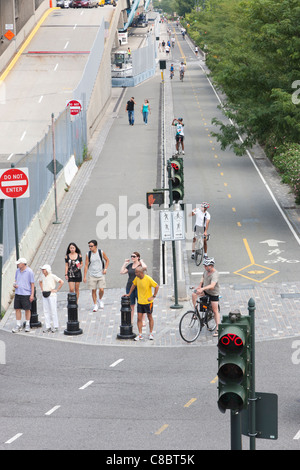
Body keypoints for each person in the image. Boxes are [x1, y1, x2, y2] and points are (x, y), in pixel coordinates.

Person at [126, 267, 159, 341]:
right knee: (139, 318)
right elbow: (133, 285)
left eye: (136, 272)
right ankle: (140, 334)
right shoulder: (137, 278)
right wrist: (129, 294)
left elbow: (156, 286)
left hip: (148, 303)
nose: (135, 274)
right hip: (140, 302)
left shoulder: (148, 278)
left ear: (140, 273)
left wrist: (153, 296)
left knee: (149, 317)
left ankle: (151, 333)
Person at [192, 257, 220, 336]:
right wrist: (199, 286)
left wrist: (202, 289)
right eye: (204, 265)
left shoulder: (215, 274)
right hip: (205, 291)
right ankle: (195, 312)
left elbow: (212, 286)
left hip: (213, 293)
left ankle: (218, 328)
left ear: (211, 266)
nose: (204, 267)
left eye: (206, 266)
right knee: (194, 294)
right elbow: (203, 277)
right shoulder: (206, 271)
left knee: (215, 311)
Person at [120, 252, 147, 324]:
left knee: (141, 304)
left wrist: (141, 261)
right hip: (130, 286)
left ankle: (143, 320)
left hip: (139, 287)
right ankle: (131, 320)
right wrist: (125, 263)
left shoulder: (140, 265)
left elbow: (145, 267)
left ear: (138, 257)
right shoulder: (130, 265)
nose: (132, 258)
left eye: (134, 256)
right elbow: (122, 272)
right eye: (131, 256)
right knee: (131, 304)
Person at [83, 239, 109, 312]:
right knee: (93, 290)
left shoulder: (101, 252)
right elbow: (86, 265)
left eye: (91, 246)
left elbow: (107, 260)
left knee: (101, 289)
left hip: (100, 274)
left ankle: (100, 299)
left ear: (95, 246)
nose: (90, 247)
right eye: (89, 246)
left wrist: (105, 269)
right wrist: (84, 276)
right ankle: (95, 305)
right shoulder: (88, 254)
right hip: (92, 274)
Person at [12, 258, 35, 333]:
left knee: (27, 309)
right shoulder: (17, 271)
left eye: (19, 263)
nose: (17, 264)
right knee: (17, 309)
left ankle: (27, 324)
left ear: (23, 264)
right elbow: (16, 280)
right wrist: (15, 285)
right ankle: (18, 324)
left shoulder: (29, 272)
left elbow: (32, 284)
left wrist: (32, 295)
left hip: (26, 294)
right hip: (18, 293)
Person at [39, 264, 64, 333]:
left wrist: (56, 290)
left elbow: (61, 282)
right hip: (45, 294)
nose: (42, 271)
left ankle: (55, 326)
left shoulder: (52, 276)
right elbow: (40, 281)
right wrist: (42, 289)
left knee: (53, 311)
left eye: (44, 269)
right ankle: (48, 326)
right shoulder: (42, 276)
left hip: (51, 294)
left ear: (47, 270)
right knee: (46, 311)